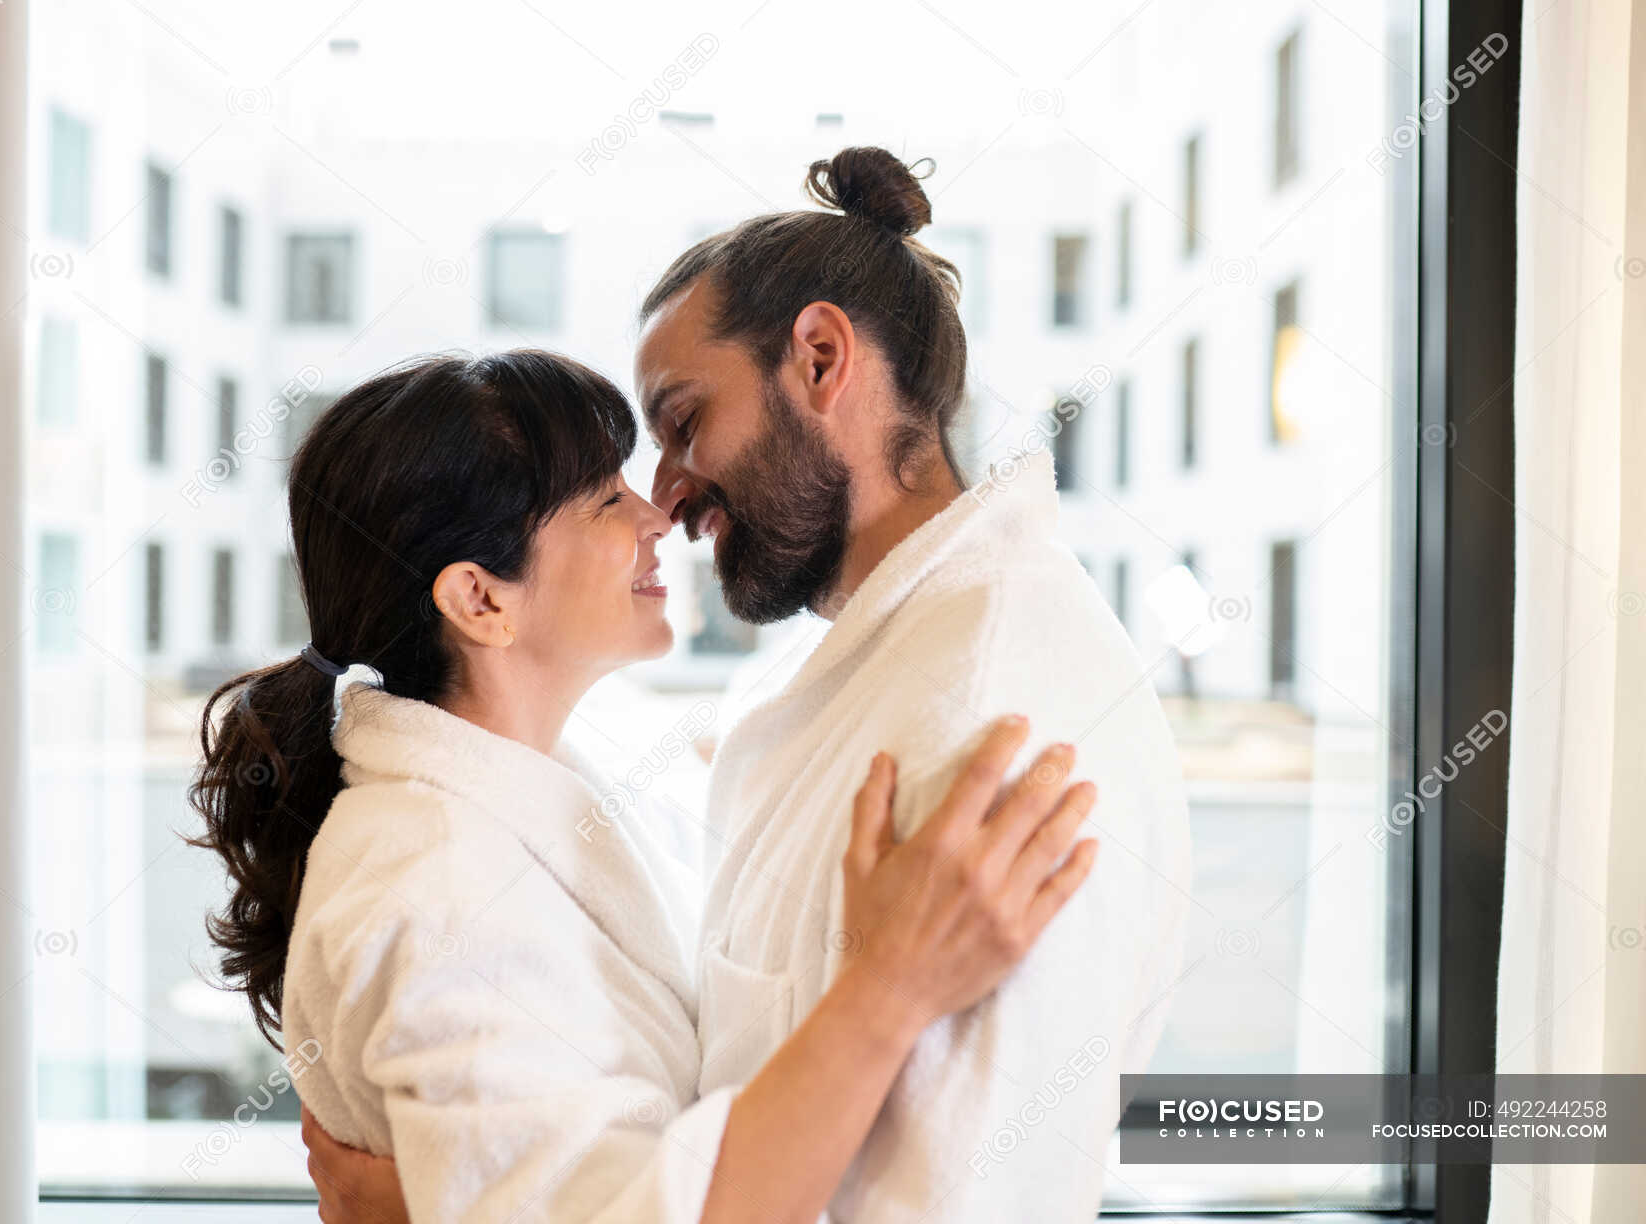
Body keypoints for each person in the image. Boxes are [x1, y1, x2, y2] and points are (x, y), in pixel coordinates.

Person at [306, 147, 1193, 1222]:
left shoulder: (989, 722)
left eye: (682, 424)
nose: (666, 501)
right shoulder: (855, 679)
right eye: (610, 489)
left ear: (821, 359)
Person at [190, 349, 1103, 1223]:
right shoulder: (431, 890)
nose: (656, 516)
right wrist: (893, 988)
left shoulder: (530, 799)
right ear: (481, 600)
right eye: (602, 499)